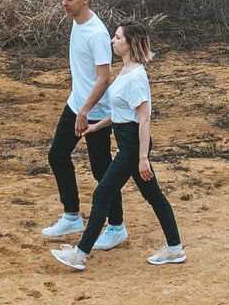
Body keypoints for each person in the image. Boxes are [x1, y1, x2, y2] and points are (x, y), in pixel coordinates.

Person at [52, 19, 185, 270]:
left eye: (117, 37)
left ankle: (80, 254)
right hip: (127, 141)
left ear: (130, 43)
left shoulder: (135, 77)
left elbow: (144, 119)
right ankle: (175, 248)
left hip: (133, 146)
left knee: (102, 193)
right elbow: (121, 113)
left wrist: (142, 158)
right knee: (153, 195)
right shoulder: (126, 72)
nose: (112, 41)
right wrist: (96, 126)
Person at [40, 0, 129, 251]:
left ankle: (116, 227)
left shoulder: (97, 35)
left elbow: (104, 79)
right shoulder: (78, 22)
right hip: (76, 104)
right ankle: (72, 216)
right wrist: (78, 108)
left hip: (95, 111)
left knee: (102, 171)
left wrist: (86, 111)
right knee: (57, 154)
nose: (63, 3)